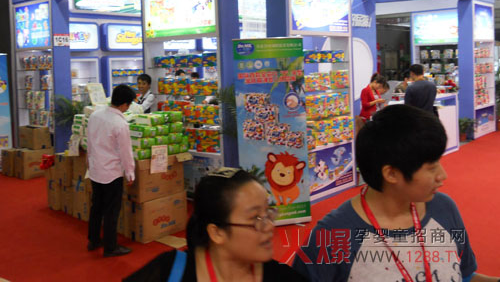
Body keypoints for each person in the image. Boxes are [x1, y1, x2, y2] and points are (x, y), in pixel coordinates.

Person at [293, 105, 499, 282]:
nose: (442, 175)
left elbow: (464, 275)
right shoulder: (330, 237)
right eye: (431, 167)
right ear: (391, 174)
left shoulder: (444, 208)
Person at [123, 168, 308, 282]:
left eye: (268, 213)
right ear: (217, 232)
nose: (269, 226)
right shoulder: (169, 271)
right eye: (255, 218)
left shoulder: (281, 276)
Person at [87, 84, 136, 257]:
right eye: (129, 104)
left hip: (95, 170)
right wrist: (130, 173)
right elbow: (126, 152)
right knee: (111, 211)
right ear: (124, 104)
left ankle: (93, 240)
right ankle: (110, 247)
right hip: (111, 173)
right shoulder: (120, 123)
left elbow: (89, 142)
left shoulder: (95, 115)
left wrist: (89, 163)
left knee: (96, 207)